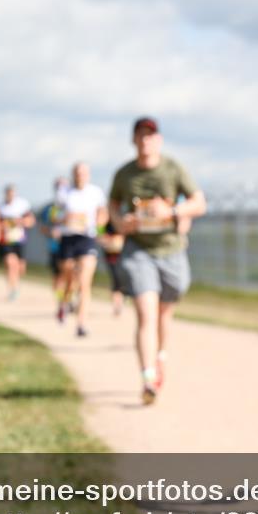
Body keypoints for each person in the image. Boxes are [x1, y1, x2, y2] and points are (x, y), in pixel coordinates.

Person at [108, 117, 206, 405]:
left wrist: (174, 213)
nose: (145, 140)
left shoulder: (173, 168)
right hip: (138, 250)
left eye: (150, 135)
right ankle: (148, 377)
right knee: (146, 312)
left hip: (171, 250)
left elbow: (199, 202)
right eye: (140, 135)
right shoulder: (124, 174)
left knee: (164, 313)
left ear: (158, 140)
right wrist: (119, 222)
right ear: (133, 140)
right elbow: (112, 204)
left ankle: (160, 356)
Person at [57, 162, 108, 337]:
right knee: (69, 279)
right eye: (78, 173)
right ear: (73, 174)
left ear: (89, 175)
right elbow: (55, 216)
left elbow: (102, 214)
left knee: (85, 282)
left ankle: (81, 324)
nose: (80, 176)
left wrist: (100, 228)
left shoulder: (96, 192)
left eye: (84, 173)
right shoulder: (64, 193)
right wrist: (64, 218)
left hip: (87, 238)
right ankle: (64, 303)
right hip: (68, 237)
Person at [0, 184, 35, 301]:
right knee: (10, 263)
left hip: (20, 240)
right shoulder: (1, 207)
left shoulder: (22, 205)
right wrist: (3, 225)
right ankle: (12, 289)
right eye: (8, 193)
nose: (10, 195)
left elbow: (31, 221)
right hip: (6, 241)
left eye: (12, 193)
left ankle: (16, 284)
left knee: (20, 268)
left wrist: (18, 222)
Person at [39, 177, 70, 304]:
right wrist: (51, 233)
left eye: (64, 186)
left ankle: (69, 298)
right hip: (55, 247)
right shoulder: (48, 208)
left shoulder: (73, 206)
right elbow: (42, 227)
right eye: (58, 186)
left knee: (71, 273)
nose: (61, 189)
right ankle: (60, 300)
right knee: (58, 275)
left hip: (72, 245)